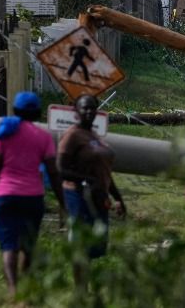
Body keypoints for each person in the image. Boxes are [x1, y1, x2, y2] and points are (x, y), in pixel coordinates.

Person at [0, 91, 66, 299]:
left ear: (15, 111)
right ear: (37, 114)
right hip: (33, 199)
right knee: (27, 246)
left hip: (5, 197)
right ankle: (24, 290)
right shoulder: (44, 138)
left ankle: (14, 291)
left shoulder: (4, 133)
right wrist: (63, 203)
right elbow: (53, 171)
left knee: (9, 247)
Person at [59, 94, 126, 283]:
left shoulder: (94, 136)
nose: (88, 111)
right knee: (81, 243)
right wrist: (88, 180)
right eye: (84, 108)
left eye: (92, 108)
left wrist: (118, 197)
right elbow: (61, 169)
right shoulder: (72, 135)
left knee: (95, 246)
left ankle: (84, 285)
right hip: (79, 195)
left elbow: (104, 173)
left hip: (98, 196)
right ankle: (80, 290)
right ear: (76, 111)